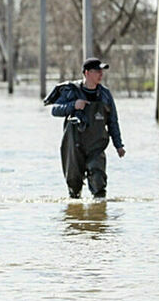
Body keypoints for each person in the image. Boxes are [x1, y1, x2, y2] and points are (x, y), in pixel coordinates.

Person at [44, 57, 126, 199]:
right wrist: (73, 105)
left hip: (97, 144)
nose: (101, 74)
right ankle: (76, 215)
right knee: (74, 183)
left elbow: (113, 122)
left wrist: (118, 145)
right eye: (97, 71)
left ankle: (98, 216)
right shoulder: (71, 91)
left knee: (98, 179)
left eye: (102, 71)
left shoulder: (105, 95)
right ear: (86, 73)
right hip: (74, 144)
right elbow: (55, 110)